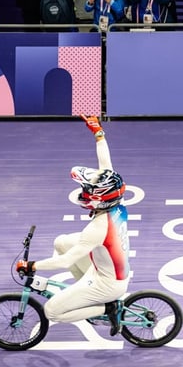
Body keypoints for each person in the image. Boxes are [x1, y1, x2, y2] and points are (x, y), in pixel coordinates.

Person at [16, 115, 130, 336]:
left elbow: (66, 261)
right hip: (106, 267)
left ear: (98, 199)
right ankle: (84, 294)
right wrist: (98, 133)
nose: (84, 192)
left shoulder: (97, 228)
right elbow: (105, 165)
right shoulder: (116, 199)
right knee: (61, 242)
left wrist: (32, 266)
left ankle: (107, 307)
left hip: (108, 284)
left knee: (51, 311)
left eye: (88, 190)